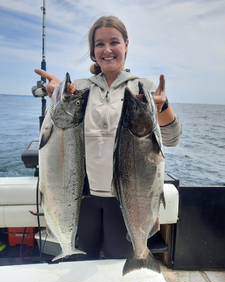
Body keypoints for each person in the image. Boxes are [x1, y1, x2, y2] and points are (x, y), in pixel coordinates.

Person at [35, 15, 182, 260]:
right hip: (82, 197)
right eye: (100, 44)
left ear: (126, 45)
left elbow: (172, 138)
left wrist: (162, 107)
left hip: (126, 197)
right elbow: (64, 117)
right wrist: (59, 93)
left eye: (114, 42)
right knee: (79, 262)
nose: (107, 49)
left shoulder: (143, 89)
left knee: (119, 265)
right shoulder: (81, 87)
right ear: (93, 52)